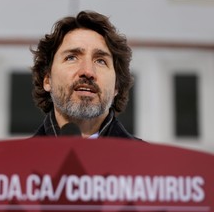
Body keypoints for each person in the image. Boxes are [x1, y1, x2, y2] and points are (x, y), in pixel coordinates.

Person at [30, 10, 141, 141]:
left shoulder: (149, 160)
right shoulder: (14, 160)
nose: (88, 71)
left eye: (100, 61)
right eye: (71, 58)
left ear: (116, 86)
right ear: (47, 79)